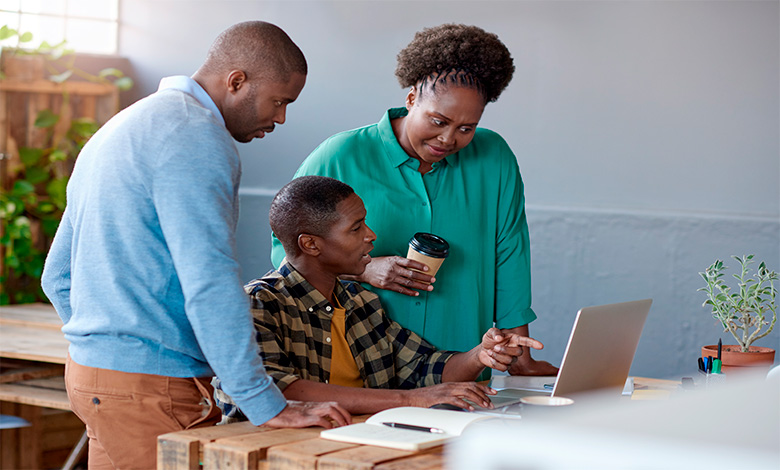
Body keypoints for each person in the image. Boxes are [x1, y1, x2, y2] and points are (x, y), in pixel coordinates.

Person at [41, 21, 349, 469]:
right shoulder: (197, 138)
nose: (280, 118)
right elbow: (210, 284)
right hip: (153, 386)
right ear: (237, 81)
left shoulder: (122, 124)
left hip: (96, 379)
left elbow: (58, 276)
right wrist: (267, 404)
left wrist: (106, 350)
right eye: (279, 101)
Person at [271, 24, 557, 377]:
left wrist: (520, 355)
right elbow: (287, 251)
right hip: (363, 363)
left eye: (466, 128)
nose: (448, 138)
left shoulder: (494, 158)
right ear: (410, 100)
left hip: (462, 358)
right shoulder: (341, 155)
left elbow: (510, 256)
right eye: (438, 120)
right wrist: (364, 270)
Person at [218, 175, 544, 419]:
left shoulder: (361, 303)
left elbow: (424, 368)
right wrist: (410, 400)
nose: (371, 235)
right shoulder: (259, 304)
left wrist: (480, 356)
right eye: (356, 228)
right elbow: (274, 388)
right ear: (310, 244)